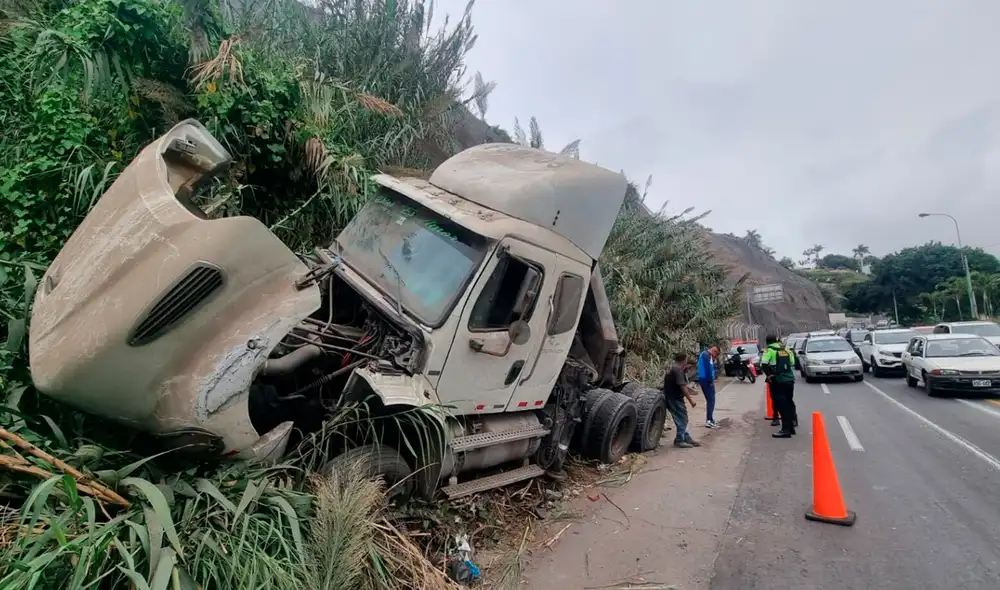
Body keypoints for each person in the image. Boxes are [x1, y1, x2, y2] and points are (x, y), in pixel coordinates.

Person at [760, 334, 798, 438]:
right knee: (789, 402)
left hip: (777, 380)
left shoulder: (769, 350)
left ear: (767, 341)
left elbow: (763, 364)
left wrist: (768, 375)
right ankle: (791, 426)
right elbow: (792, 362)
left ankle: (785, 430)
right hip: (790, 379)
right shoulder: (785, 348)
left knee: (781, 405)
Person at [663, 352, 701, 448]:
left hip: (673, 397)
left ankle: (686, 438)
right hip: (674, 398)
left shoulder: (676, 368)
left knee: (681, 418)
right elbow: (683, 387)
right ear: (684, 360)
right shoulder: (677, 370)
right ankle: (679, 440)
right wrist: (691, 401)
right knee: (682, 418)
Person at [697, 345, 720, 428]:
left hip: (705, 379)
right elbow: (707, 369)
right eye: (716, 355)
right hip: (706, 380)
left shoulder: (706, 354)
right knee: (711, 400)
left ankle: (710, 419)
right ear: (714, 351)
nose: (715, 357)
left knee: (711, 400)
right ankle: (709, 420)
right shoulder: (706, 355)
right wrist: (710, 380)